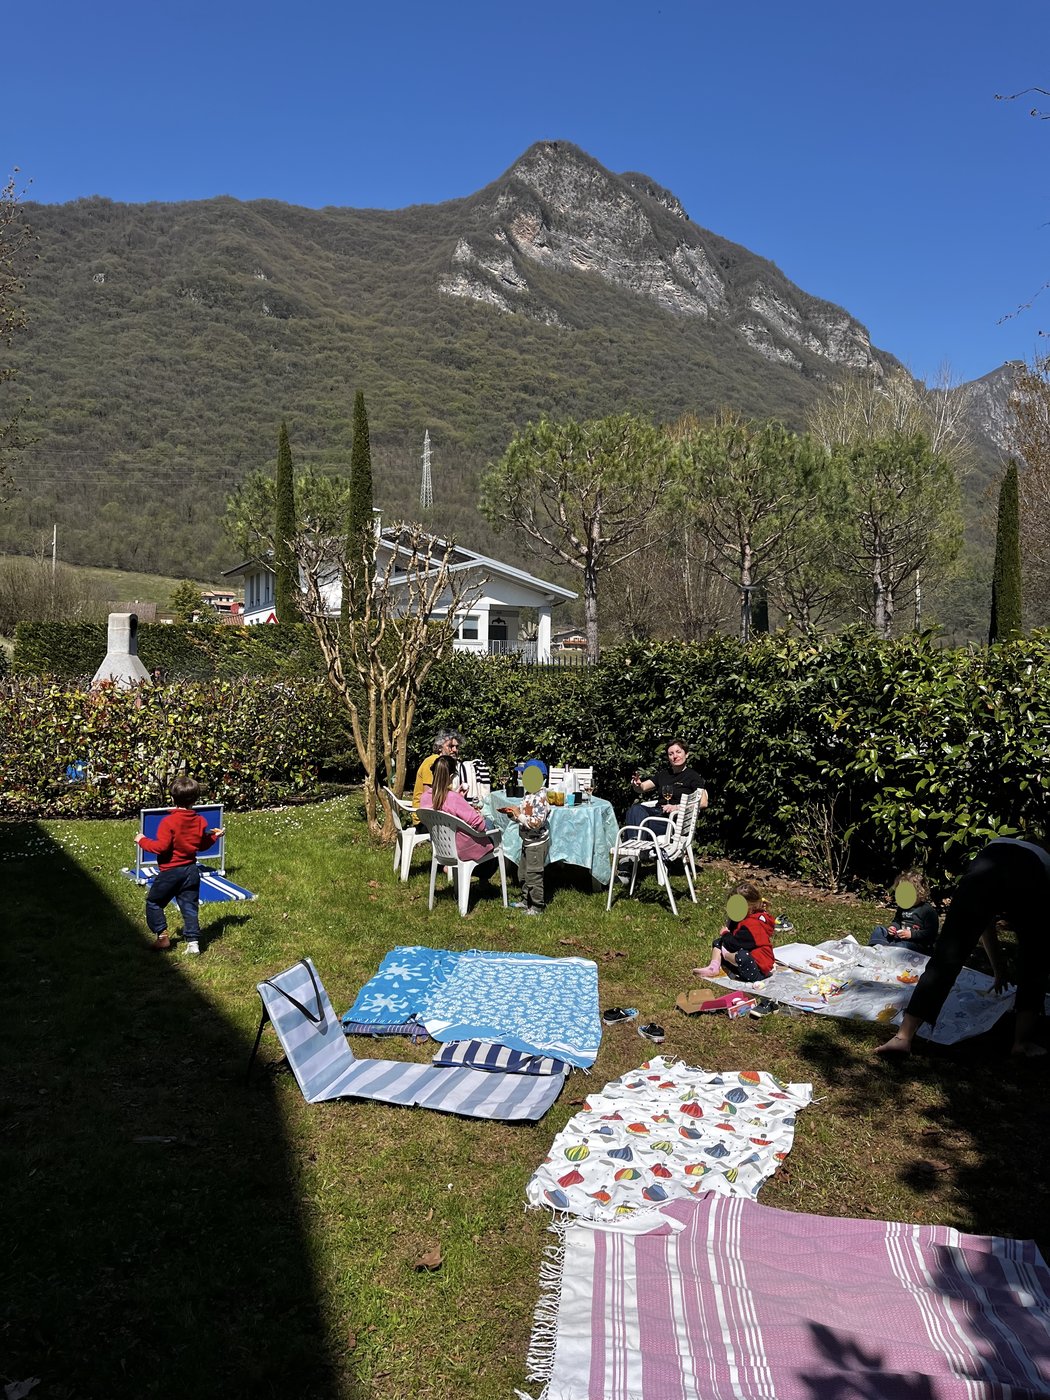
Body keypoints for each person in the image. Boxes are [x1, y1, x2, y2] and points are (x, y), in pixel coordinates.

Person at [876, 837, 1050, 1058]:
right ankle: (1021, 1042)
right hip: (1030, 879)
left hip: (984, 873)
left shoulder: (996, 846)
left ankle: (903, 1038)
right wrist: (998, 968)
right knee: (1035, 958)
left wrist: (999, 968)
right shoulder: (1044, 861)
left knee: (948, 953)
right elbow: (1035, 941)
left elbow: (981, 922)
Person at [136, 774, 224, 955]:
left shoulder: (168, 821)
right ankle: (193, 944)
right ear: (196, 799)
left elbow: (161, 847)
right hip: (191, 870)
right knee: (189, 906)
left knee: (154, 902)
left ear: (172, 798)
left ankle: (162, 938)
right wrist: (215, 836)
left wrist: (142, 840)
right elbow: (202, 845)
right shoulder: (200, 821)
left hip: (170, 872)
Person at [418, 754, 498, 878]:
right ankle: (484, 881)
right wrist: (480, 816)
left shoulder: (425, 798)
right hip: (463, 850)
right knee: (491, 829)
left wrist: (458, 797)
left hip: (442, 848)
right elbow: (479, 825)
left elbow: (444, 808)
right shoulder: (453, 799)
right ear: (451, 776)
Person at [624, 738, 708, 842]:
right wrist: (637, 784)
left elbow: (703, 802)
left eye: (678, 752)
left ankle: (634, 846)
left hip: (673, 820)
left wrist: (677, 807)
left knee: (638, 824)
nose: (675, 756)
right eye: (671, 754)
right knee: (635, 809)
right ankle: (636, 843)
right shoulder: (664, 774)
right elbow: (642, 788)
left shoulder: (693, 777)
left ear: (686, 754)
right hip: (657, 814)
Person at [694, 880, 776, 983]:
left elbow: (735, 944)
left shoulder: (752, 926)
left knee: (742, 955)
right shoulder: (746, 917)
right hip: (744, 957)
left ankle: (726, 958)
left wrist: (725, 936)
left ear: (750, 907)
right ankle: (713, 967)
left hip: (758, 970)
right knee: (718, 942)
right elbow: (734, 933)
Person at [412, 729, 491, 821]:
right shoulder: (434, 762)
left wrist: (457, 795)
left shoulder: (445, 764)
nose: (454, 750)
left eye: (457, 747)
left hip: (438, 817)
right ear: (440, 747)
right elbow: (429, 798)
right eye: (450, 746)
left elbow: (440, 796)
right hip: (427, 820)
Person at [498, 788, 551, 915]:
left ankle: (537, 906)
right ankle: (526, 900)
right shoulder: (528, 795)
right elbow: (524, 819)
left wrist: (519, 814)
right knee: (522, 874)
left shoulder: (540, 798)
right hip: (527, 842)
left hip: (536, 843)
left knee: (534, 875)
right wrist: (512, 814)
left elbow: (536, 823)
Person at [869, 868, 939, 954]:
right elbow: (897, 921)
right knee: (879, 930)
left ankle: (888, 952)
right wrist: (893, 927)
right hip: (898, 939)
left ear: (920, 893)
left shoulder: (928, 911)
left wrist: (911, 934)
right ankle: (875, 950)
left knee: (903, 946)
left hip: (917, 945)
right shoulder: (902, 908)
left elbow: (931, 934)